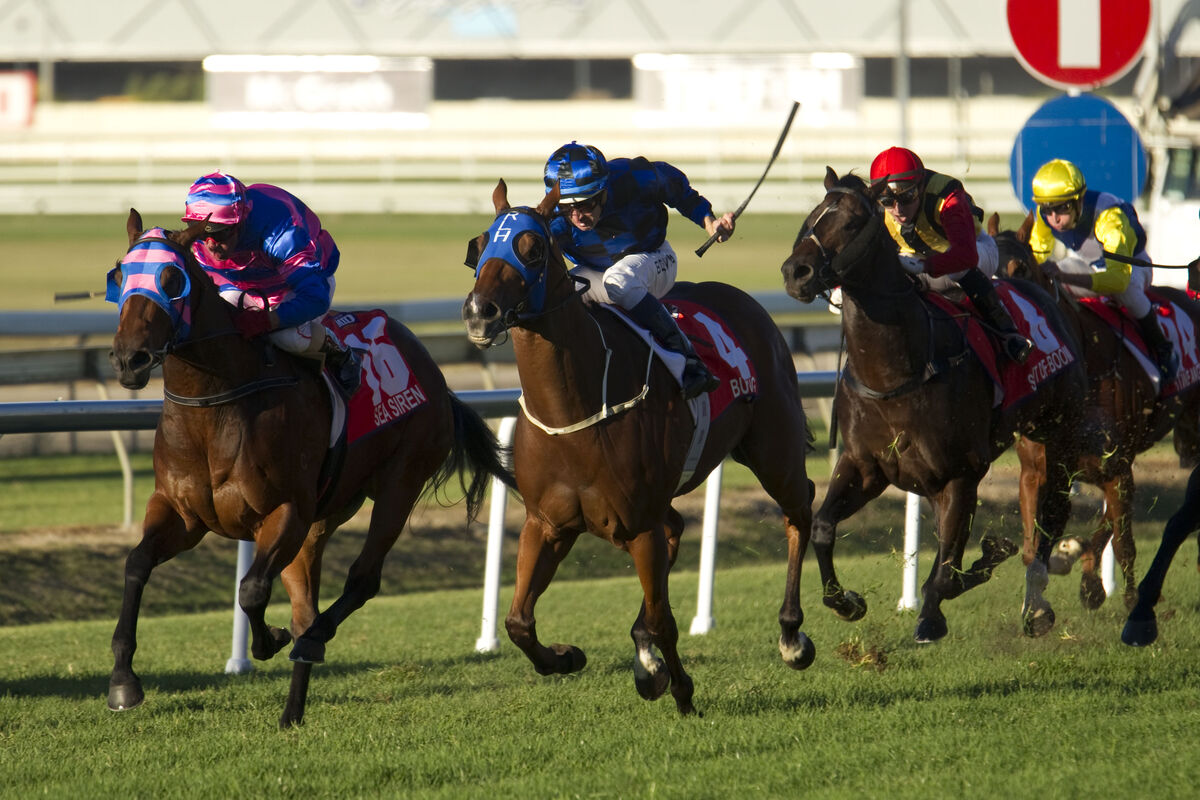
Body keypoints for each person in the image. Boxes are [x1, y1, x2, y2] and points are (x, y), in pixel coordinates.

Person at [543, 141, 735, 398]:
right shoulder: (554, 219)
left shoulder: (633, 178)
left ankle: (688, 358)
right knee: (560, 292)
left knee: (619, 279)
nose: (577, 216)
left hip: (654, 258)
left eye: (585, 205)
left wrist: (709, 221)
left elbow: (676, 187)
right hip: (598, 274)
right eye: (567, 207)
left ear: (602, 192)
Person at [182, 171, 363, 395]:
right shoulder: (201, 242)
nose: (210, 244)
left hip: (297, 286)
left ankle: (341, 354)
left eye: (220, 234)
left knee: (287, 337)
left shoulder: (281, 232)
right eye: (202, 234)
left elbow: (316, 298)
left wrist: (268, 320)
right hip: (244, 286)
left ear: (240, 222)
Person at [869, 146, 1033, 364]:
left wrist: (925, 266)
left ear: (921, 186)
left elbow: (966, 256)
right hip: (922, 262)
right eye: (887, 201)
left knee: (957, 269)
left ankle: (1008, 332)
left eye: (907, 196)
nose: (897, 209)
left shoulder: (947, 198)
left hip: (977, 253)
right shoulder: (875, 207)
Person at [1029, 158, 1179, 382]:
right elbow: (1037, 254)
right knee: (1048, 277)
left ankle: (1163, 348)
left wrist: (1065, 276)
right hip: (1090, 266)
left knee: (1126, 290)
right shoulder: (1045, 216)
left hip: (1133, 267)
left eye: (1062, 208)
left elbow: (1118, 280)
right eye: (1047, 209)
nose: (1054, 218)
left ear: (1079, 200)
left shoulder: (1109, 216)